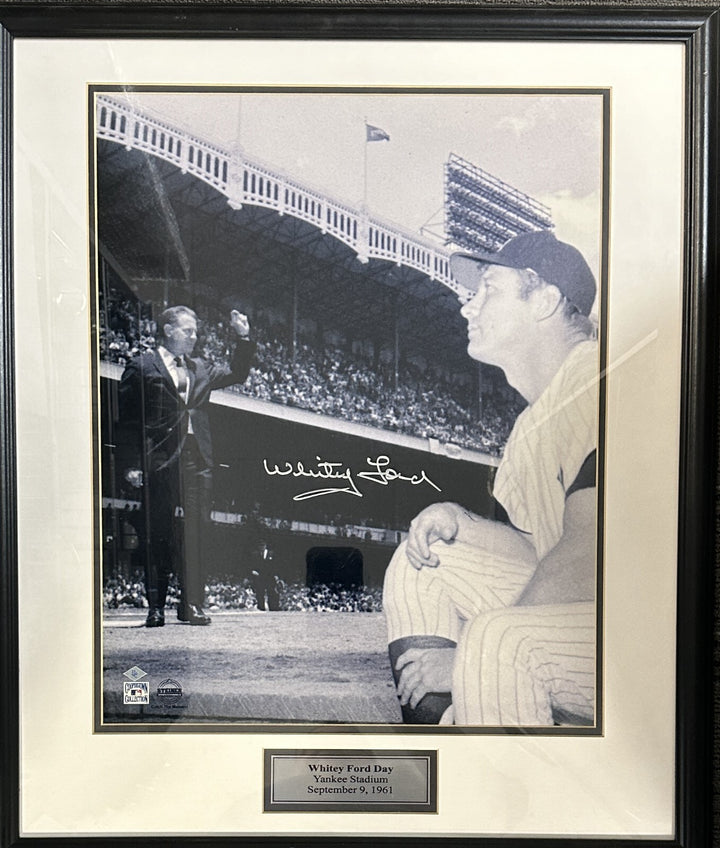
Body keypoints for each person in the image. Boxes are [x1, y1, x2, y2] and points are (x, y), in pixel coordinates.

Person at [383, 230, 598, 725]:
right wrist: (465, 523)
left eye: (489, 290)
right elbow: (543, 547)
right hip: (592, 620)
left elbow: (590, 551)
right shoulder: (530, 423)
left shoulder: (601, 377)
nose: (467, 307)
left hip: (658, 639)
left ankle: (494, 789)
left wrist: (466, 664)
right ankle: (446, 740)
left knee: (497, 642)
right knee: (427, 558)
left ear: (544, 301)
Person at [117, 305, 256, 627]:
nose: (195, 337)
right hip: (159, 459)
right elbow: (125, 422)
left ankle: (191, 604)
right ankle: (156, 607)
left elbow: (238, 371)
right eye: (188, 331)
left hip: (198, 460)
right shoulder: (141, 366)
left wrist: (244, 336)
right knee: (158, 533)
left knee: (197, 534)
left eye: (196, 331)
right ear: (168, 330)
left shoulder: (201, 367)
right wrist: (131, 464)